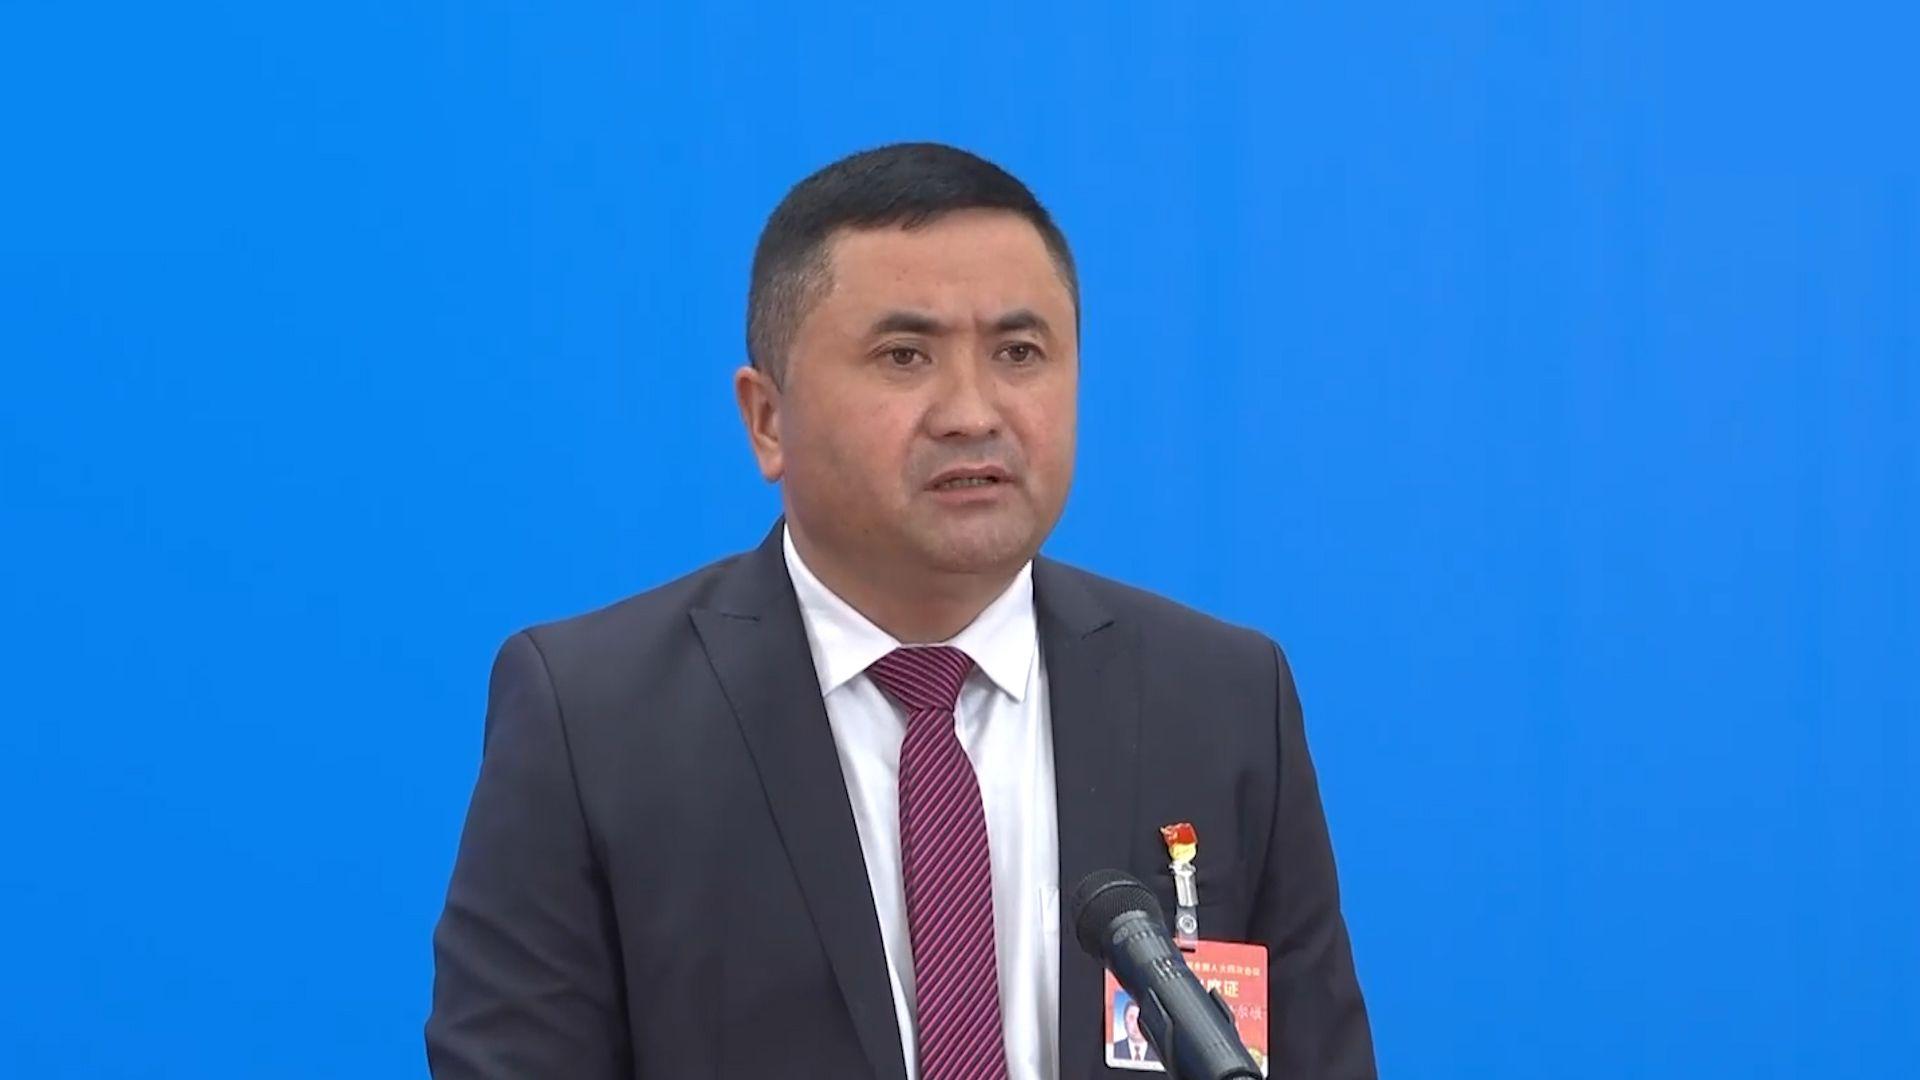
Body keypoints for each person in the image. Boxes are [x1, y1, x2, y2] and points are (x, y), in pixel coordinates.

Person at [426, 141, 1375, 1079]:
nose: (973, 412)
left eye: (1019, 352)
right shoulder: (595, 720)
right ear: (766, 419)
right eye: (904, 355)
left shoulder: (1222, 700)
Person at [1110, 997, 1159, 1065]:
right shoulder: (1113, 1049)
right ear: (1124, 1021)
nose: (1137, 1023)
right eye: (1131, 1018)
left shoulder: (1159, 1053)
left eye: (1140, 1018)